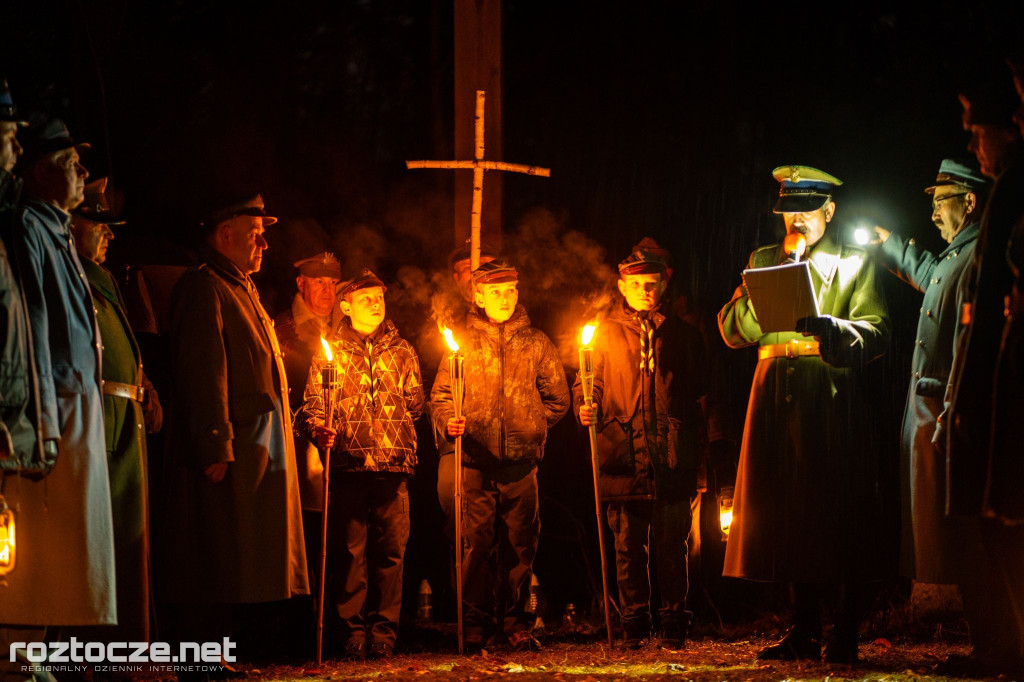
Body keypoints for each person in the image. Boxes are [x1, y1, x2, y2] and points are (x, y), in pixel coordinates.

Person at [718, 165, 889, 663]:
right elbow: (733, 331)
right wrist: (764, 289)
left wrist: (834, 329)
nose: (796, 220)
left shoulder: (855, 262)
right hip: (773, 397)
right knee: (784, 513)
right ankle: (803, 628)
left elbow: (877, 330)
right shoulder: (764, 258)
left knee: (831, 510)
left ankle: (843, 630)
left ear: (829, 212)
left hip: (826, 396)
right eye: (788, 212)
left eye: (806, 212)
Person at [158, 194, 308, 652]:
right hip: (233, 445)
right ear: (225, 235)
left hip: (254, 443)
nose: (264, 242)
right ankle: (201, 654)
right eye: (254, 232)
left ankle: (225, 648)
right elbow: (204, 370)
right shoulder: (205, 286)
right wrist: (215, 442)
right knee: (216, 552)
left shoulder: (239, 285)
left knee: (240, 554)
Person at [2, 119, 117, 639]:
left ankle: (39, 649)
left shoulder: (55, 230)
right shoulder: (29, 227)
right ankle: (21, 652)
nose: (83, 173)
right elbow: (34, 328)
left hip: (74, 405)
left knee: (70, 547)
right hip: (55, 407)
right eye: (72, 164)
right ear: (41, 172)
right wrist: (43, 419)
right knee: (46, 546)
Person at [573, 238, 707, 649]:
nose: (645, 292)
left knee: (672, 546)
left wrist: (700, 451)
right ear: (622, 286)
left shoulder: (684, 335)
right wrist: (585, 405)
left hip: (670, 455)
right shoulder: (604, 333)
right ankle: (633, 622)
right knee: (629, 548)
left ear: (663, 286)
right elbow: (586, 381)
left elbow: (702, 393)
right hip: (622, 454)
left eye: (651, 284)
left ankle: (673, 622)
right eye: (636, 285)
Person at [430, 259, 569, 651]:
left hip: (521, 464)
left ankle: (515, 622)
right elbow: (440, 396)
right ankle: (473, 623)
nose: (505, 298)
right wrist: (448, 422)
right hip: (473, 460)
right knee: (475, 542)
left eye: (510, 290)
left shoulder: (537, 342)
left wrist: (531, 424)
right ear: (479, 296)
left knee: (521, 544)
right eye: (495, 292)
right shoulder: (462, 342)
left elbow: (558, 399)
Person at [300, 269, 424, 660]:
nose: (375, 304)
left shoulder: (402, 350)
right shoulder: (329, 352)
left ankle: (384, 631)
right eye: (366, 298)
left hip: (394, 465)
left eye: (380, 298)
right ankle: (352, 631)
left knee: (391, 552)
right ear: (346, 306)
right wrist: (319, 427)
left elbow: (416, 404)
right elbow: (312, 405)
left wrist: (392, 427)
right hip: (348, 465)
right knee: (350, 553)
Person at [946, 72, 1024, 674]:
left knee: (1003, 521)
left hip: (1004, 380)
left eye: (979, 134)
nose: (976, 148)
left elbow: (993, 292)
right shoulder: (1009, 188)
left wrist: (971, 392)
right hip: (992, 378)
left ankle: (1008, 646)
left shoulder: (1015, 187)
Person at [69, 177, 163, 643]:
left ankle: (123, 648)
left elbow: (121, 343)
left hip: (124, 419)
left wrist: (145, 385)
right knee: (96, 541)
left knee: (128, 539)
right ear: (73, 223)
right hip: (95, 421)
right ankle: (93, 651)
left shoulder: (102, 278)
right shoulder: (68, 275)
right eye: (99, 224)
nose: (110, 235)